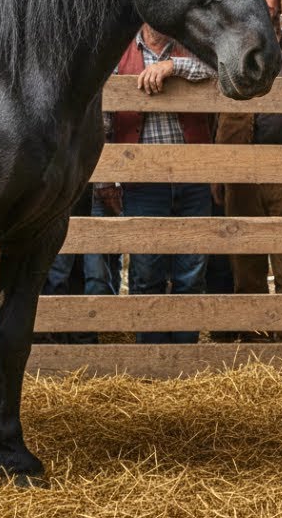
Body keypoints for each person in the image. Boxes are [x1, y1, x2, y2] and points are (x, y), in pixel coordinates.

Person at [214, 0, 282, 342]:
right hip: (241, 166)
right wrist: (220, 170)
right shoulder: (227, 45)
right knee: (245, 260)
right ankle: (254, 350)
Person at [106, 23, 216, 344]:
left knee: (191, 271)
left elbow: (216, 69)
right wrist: (108, 177)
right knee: (145, 271)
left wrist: (172, 66)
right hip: (142, 181)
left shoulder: (191, 43)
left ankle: (184, 356)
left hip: (192, 177)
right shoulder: (120, 51)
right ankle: (150, 356)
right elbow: (104, 116)